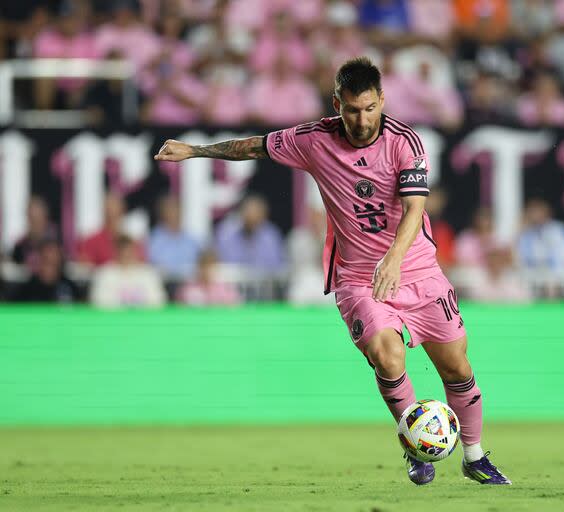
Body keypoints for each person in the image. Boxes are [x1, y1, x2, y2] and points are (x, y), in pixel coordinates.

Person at [154, 56, 510, 486]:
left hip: (417, 270)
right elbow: (255, 146)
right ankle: (415, 447)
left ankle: (473, 457)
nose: (362, 120)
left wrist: (394, 259)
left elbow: (416, 205)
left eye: (370, 108)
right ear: (336, 103)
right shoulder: (313, 139)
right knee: (386, 354)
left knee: (456, 366)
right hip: (358, 278)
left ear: (382, 100)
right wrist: (194, 151)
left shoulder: (406, 142)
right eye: (352, 110)